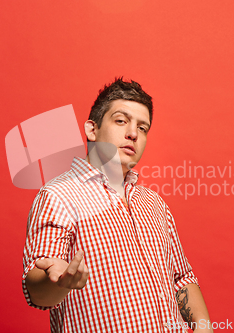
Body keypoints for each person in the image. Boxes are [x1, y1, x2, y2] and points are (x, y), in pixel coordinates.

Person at [22, 78, 213, 332]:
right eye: (121, 120)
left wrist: (203, 328)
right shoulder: (59, 196)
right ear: (92, 130)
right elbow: (37, 293)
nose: (133, 133)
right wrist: (60, 281)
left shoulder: (154, 203)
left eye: (143, 128)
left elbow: (181, 278)